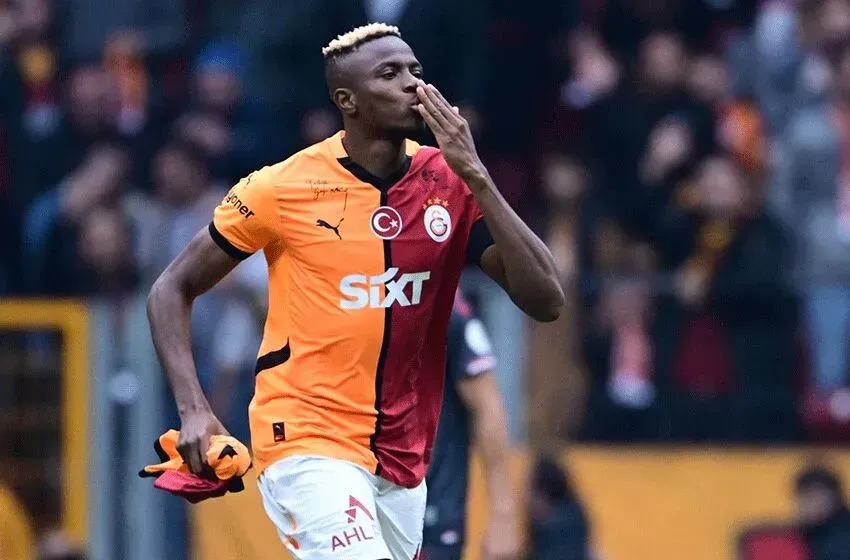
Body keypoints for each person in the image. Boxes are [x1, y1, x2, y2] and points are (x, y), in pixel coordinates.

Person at [146, 22, 563, 560]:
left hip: (403, 459)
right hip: (305, 439)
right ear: (348, 101)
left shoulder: (449, 181)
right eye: (389, 74)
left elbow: (545, 299)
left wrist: (477, 175)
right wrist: (194, 410)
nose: (412, 84)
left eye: (415, 70)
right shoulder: (282, 188)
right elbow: (170, 289)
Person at [421, 289, 518, 560]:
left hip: (432, 511)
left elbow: (487, 405)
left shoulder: (443, 301)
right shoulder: (339, 294)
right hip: (359, 502)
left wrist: (503, 513)